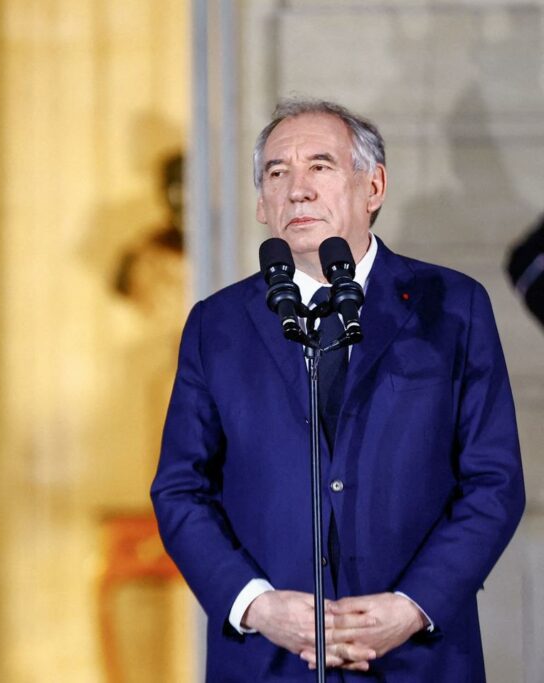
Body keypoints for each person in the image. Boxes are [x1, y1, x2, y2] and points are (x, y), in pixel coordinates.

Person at [151, 98, 524, 681]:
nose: (297, 189)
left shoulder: (451, 306)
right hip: (271, 658)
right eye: (277, 173)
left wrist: (412, 606)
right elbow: (180, 489)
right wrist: (256, 605)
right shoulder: (216, 324)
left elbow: (493, 482)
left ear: (372, 185)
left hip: (417, 658)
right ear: (261, 204)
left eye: (319, 166)